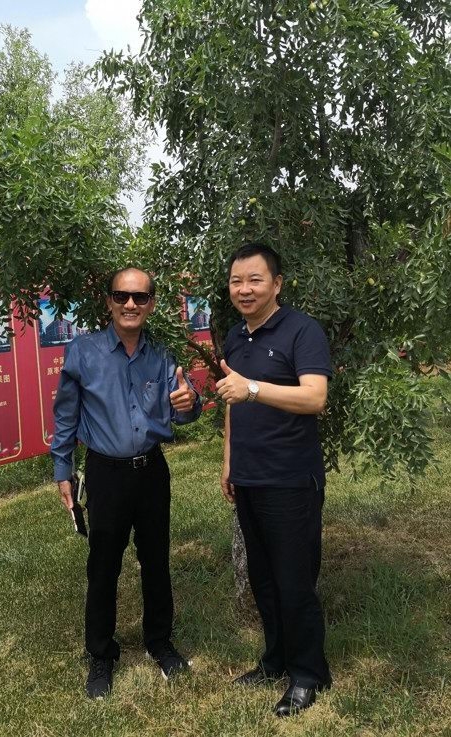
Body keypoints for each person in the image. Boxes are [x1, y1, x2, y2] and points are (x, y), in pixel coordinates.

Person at [51, 267, 201, 699]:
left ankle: (160, 642)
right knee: (103, 566)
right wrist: (63, 470)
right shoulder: (83, 353)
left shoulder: (162, 355)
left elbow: (186, 409)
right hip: (106, 474)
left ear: (151, 304)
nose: (130, 304)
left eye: (140, 297)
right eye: (121, 296)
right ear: (109, 302)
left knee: (156, 560)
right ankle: (101, 653)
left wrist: (190, 402)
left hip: (151, 471)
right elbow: (65, 417)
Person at [216, 242, 332, 717]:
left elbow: (315, 397)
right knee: (264, 579)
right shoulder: (234, 337)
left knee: (294, 581)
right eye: (236, 281)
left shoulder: (302, 331)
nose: (244, 289)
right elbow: (232, 400)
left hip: (290, 480)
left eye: (255, 280)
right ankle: (275, 660)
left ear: (277, 284)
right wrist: (229, 460)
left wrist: (253, 388)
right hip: (249, 477)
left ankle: (308, 674)